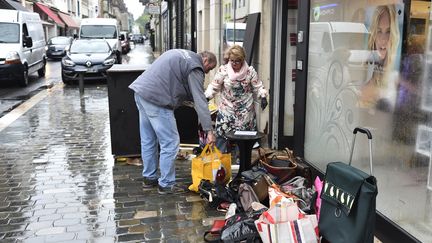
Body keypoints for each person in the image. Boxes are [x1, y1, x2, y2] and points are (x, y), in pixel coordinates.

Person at [129, 49, 217, 195]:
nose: (207, 73)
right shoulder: (195, 66)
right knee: (170, 142)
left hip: (141, 93)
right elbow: (200, 100)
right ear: (205, 60)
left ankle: (149, 178)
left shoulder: (181, 54)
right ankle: (166, 184)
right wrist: (209, 130)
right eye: (209, 68)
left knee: (148, 140)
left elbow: (178, 84)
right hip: (157, 100)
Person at [205, 45, 268, 153]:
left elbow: (258, 86)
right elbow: (214, 86)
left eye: (237, 61)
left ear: (242, 60)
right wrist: (207, 97)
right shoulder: (223, 70)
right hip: (227, 110)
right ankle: (220, 163)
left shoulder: (250, 71)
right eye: (232, 60)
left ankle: (242, 163)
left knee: (243, 140)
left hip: (245, 112)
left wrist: (263, 96)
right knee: (221, 137)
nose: (234, 63)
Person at [359, 4, 400, 110]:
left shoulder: (395, 79)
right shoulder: (362, 72)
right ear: (373, 35)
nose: (383, 39)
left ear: (394, 35)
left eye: (388, 32)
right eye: (379, 31)